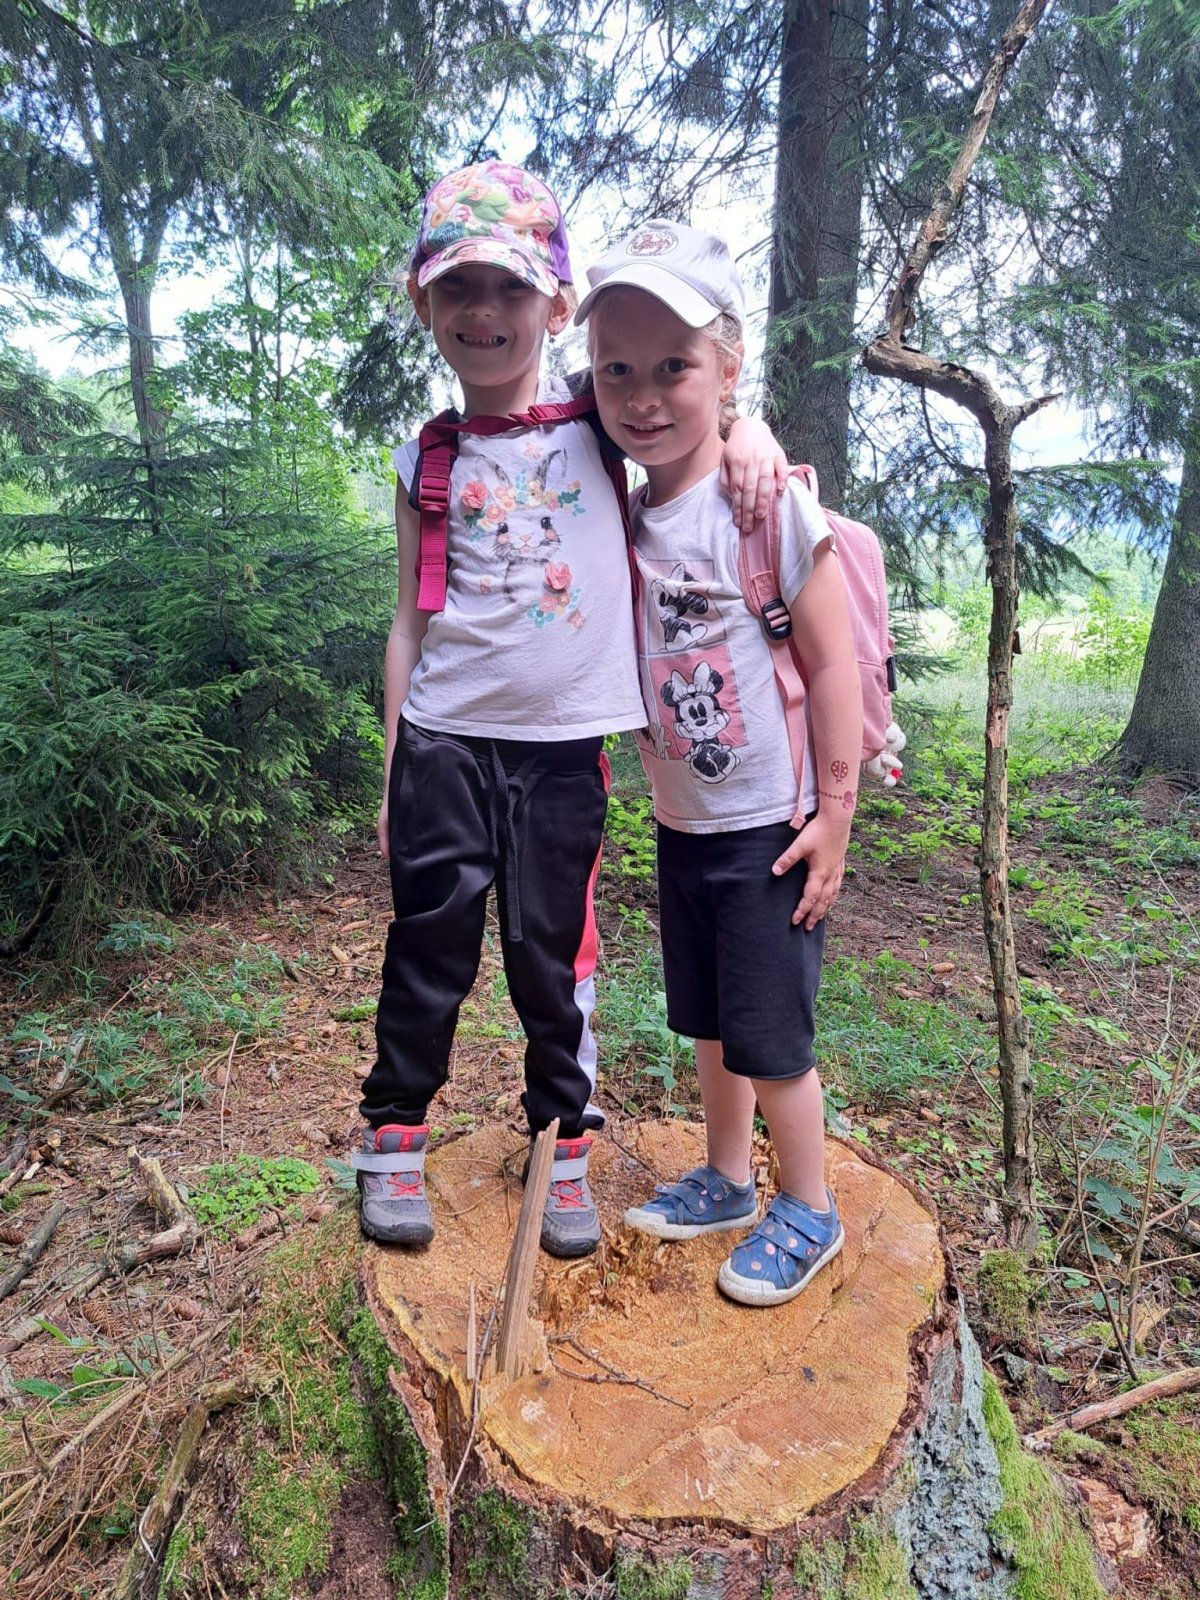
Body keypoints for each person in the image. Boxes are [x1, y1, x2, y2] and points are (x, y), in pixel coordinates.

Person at [354, 164, 786, 1259]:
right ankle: (394, 1134)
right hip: (444, 744)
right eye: (459, 289)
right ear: (424, 304)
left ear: (555, 306)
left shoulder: (598, 422)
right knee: (430, 946)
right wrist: (393, 764)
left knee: (555, 959)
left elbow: (686, 410)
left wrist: (752, 436)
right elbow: (408, 622)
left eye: (511, 288)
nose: (484, 312)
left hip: (561, 754)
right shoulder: (427, 458)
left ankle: (563, 1146)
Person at [577, 220, 864, 1305]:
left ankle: (812, 1207)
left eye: (674, 367)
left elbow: (832, 662)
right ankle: (731, 1179)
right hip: (684, 820)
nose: (643, 395)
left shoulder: (764, 502)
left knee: (773, 1034)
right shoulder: (622, 511)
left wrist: (835, 815)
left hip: (770, 824)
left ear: (729, 365)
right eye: (617, 370)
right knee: (707, 1019)